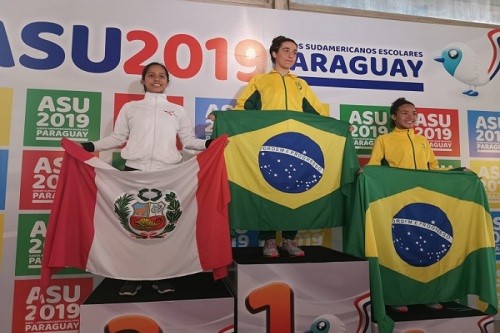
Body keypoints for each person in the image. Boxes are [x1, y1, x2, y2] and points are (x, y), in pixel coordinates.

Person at [80, 62, 212, 296]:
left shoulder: (177, 110)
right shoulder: (131, 108)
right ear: (143, 81)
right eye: (151, 75)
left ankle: (160, 277)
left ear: (167, 82)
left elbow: (189, 141)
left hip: (167, 175)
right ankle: (132, 277)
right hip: (133, 175)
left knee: (163, 230)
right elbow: (117, 137)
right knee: (133, 229)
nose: (156, 79)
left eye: (162, 76)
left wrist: (210, 144)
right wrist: (89, 146)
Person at [232, 36, 329, 258]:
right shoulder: (260, 81)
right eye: (286, 50)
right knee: (267, 190)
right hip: (268, 146)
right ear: (274, 54)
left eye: (294, 52)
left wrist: (340, 128)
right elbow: (243, 109)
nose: (290, 55)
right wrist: (225, 121)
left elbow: (319, 114)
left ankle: (288, 239)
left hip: (296, 147)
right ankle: (268, 240)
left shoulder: (301, 84)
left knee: (293, 192)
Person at [367, 97, 443, 312]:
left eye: (414, 113)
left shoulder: (423, 141)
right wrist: (366, 174)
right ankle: (398, 295)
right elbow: (373, 167)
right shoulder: (384, 140)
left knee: (428, 247)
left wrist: (460, 176)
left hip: (425, 202)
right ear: (394, 116)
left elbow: (434, 168)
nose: (411, 117)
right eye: (405, 113)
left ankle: (428, 294)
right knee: (400, 248)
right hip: (399, 203)